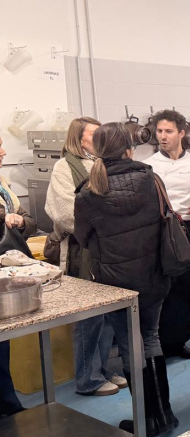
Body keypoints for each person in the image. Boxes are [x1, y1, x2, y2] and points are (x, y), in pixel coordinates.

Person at [74, 123, 175, 437]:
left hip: (116, 283)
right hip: (154, 276)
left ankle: (146, 422)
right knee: (152, 338)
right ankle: (164, 414)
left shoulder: (88, 191)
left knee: (131, 348)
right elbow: (164, 219)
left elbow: (82, 237)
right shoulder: (151, 179)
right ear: (130, 147)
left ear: (96, 151)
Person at [46, 117, 127, 396]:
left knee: (106, 314)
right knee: (89, 317)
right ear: (78, 139)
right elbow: (63, 211)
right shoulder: (63, 167)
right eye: (94, 134)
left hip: (106, 249)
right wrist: (103, 225)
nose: (100, 137)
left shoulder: (100, 164)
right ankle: (87, 378)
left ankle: (101, 369)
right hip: (82, 251)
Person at [143, 109, 190, 360]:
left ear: (181, 133)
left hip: (189, 228)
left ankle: (179, 341)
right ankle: (158, 344)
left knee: (186, 286)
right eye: (159, 132)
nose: (163, 137)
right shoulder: (148, 166)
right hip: (160, 230)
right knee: (163, 286)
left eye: (168, 131)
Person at [0, 135, 37, 418]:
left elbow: (31, 223)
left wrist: (20, 220)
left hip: (8, 273)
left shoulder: (5, 188)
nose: (3, 151)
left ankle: (8, 406)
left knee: (3, 347)